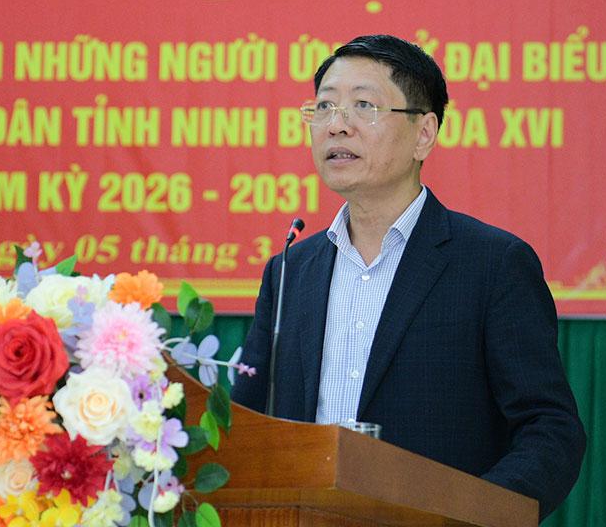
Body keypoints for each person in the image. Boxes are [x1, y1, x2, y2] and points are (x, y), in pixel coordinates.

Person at [231, 34, 585, 521]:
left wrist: (471, 516)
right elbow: (245, 425)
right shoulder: (291, 270)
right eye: (324, 107)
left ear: (424, 133)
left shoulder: (492, 264)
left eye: (363, 106)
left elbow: (549, 430)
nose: (337, 125)